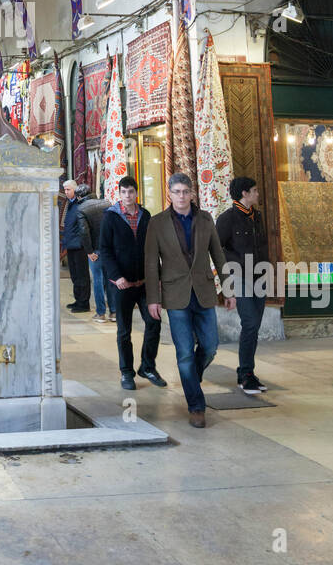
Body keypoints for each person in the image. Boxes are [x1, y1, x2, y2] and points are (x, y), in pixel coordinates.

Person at [144, 172, 231, 428]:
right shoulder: (157, 223)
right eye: (176, 192)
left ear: (192, 193)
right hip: (175, 295)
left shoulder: (205, 219)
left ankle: (192, 377)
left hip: (203, 292)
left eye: (185, 192)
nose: (181, 196)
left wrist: (228, 289)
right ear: (169, 194)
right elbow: (151, 264)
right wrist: (153, 299)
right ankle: (196, 406)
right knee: (184, 354)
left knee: (211, 346)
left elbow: (218, 254)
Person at [100, 175, 166, 391]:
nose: (127, 196)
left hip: (144, 282)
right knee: (124, 331)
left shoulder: (146, 216)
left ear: (136, 193)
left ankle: (147, 366)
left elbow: (153, 249)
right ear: (119, 194)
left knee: (154, 322)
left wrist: (156, 278)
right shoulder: (110, 217)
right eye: (123, 192)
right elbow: (106, 250)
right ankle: (127, 372)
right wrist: (117, 275)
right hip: (121, 285)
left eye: (131, 192)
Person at [216, 176, 269, 397]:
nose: (258, 193)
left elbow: (263, 245)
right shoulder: (227, 219)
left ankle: (247, 372)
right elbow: (217, 249)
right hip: (240, 278)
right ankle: (245, 374)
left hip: (260, 276)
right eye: (254, 190)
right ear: (244, 194)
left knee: (254, 326)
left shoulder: (256, 217)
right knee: (250, 322)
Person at [77, 184, 116, 324]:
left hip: (96, 251)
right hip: (109, 248)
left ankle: (101, 313)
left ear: (79, 196)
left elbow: (84, 231)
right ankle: (114, 312)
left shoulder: (81, 208)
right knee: (110, 279)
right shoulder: (107, 203)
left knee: (98, 281)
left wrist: (89, 251)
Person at [61, 180, 91, 313]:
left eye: (68, 190)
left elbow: (83, 226)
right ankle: (78, 300)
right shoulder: (71, 204)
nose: (66, 192)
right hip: (71, 244)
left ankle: (84, 303)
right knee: (74, 275)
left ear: (75, 190)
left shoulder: (80, 204)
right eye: (65, 190)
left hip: (79, 245)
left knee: (82, 275)